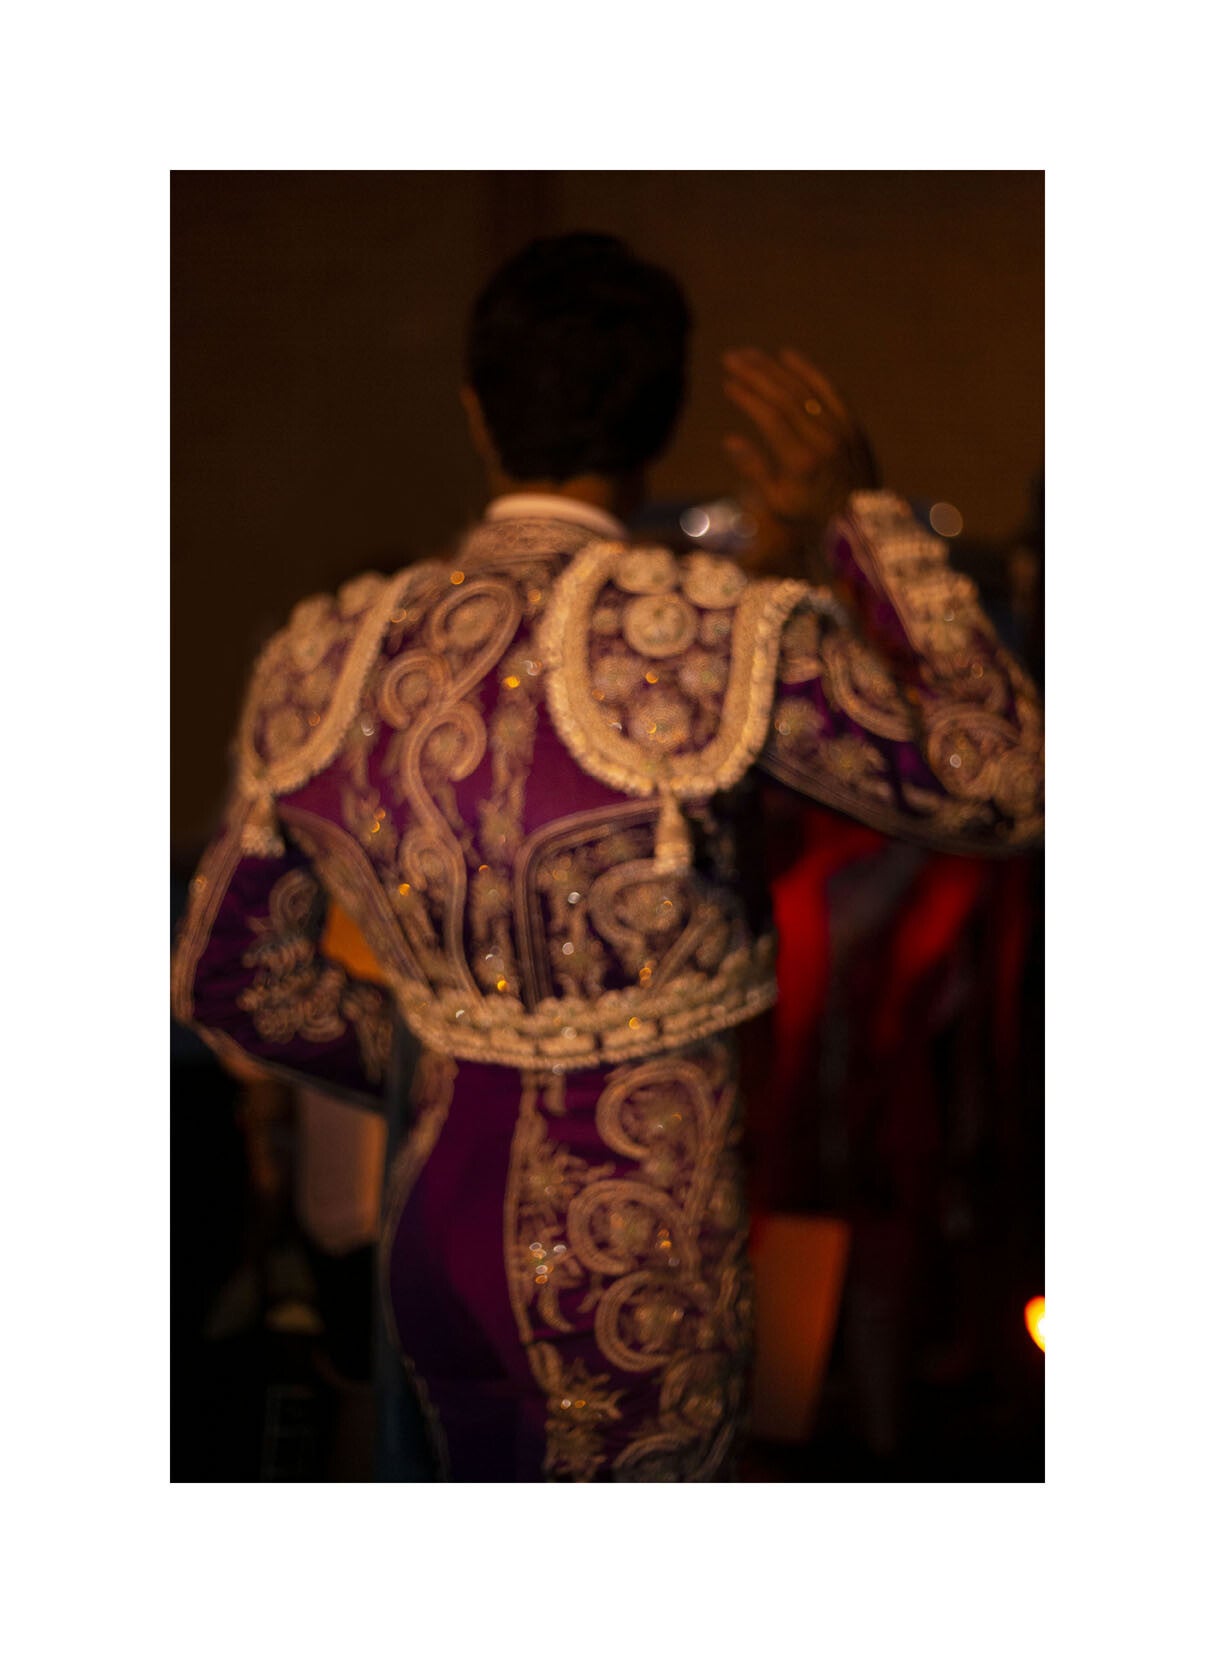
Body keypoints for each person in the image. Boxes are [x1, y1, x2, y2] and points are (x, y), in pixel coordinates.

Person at [172, 232, 1043, 1481]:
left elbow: (226, 980)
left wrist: (441, 1062)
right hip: (634, 1243)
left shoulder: (329, 651)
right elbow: (1007, 782)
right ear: (661, 419)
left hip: (434, 1225)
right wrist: (863, 520)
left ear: (477, 411)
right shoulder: (713, 634)